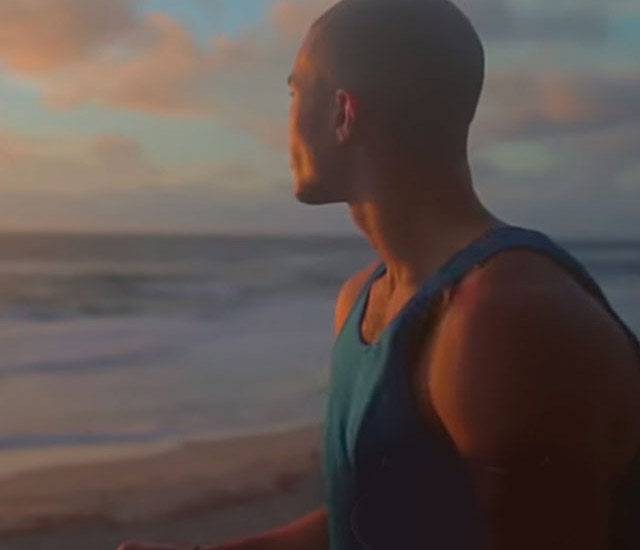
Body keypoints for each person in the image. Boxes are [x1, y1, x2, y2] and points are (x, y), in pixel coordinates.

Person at [117, 0, 640, 549]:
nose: (286, 121)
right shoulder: (364, 300)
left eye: (295, 92)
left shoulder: (504, 321)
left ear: (344, 113)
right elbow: (376, 518)